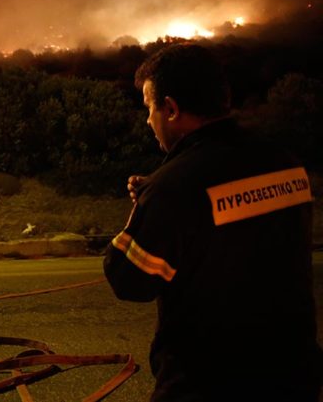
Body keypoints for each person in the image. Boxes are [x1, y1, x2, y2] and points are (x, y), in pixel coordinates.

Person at [104, 43, 321, 401]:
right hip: (294, 378)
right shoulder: (285, 163)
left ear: (170, 109)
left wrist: (145, 206)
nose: (147, 121)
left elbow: (129, 280)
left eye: (148, 108)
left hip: (208, 385)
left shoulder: (173, 188)